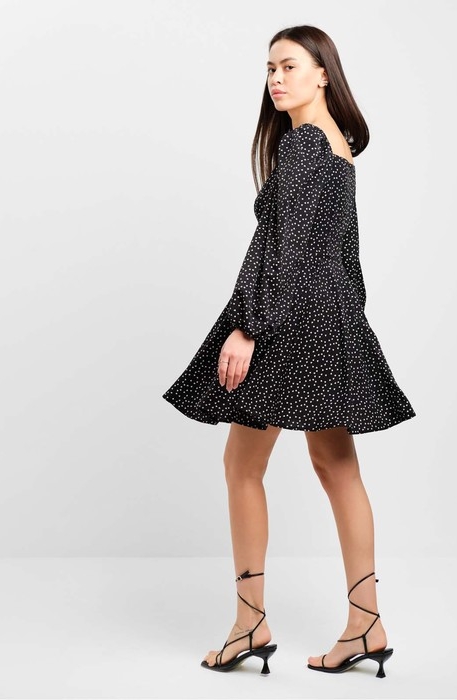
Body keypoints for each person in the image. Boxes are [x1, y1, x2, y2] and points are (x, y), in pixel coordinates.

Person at [162, 24, 416, 678]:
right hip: (329, 319)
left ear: (323, 72)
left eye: (289, 66)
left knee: (242, 465)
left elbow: (288, 251)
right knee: (337, 466)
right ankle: (366, 624)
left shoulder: (304, 144)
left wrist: (248, 326)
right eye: (270, 69)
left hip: (288, 321)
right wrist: (347, 322)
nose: (276, 79)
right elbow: (340, 256)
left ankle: (250, 622)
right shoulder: (338, 146)